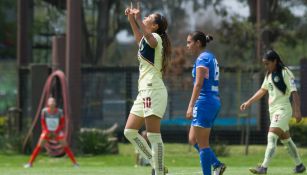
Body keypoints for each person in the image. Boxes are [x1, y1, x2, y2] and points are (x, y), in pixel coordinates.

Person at [123, 2, 171, 175]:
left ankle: (158, 172)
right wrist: (131, 20)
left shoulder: (156, 38)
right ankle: (157, 164)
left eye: (148, 18)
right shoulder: (146, 38)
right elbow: (140, 39)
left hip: (154, 90)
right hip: (144, 91)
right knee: (129, 131)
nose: (145, 18)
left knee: (153, 135)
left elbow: (148, 40)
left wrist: (137, 20)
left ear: (155, 26)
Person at [240, 50, 306, 174]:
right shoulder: (269, 75)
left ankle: (263, 167)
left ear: (275, 61)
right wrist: (248, 102)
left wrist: (297, 111)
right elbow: (262, 90)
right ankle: (299, 165)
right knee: (286, 139)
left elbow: (294, 92)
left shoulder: (285, 72)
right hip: (273, 111)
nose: (266, 66)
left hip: (283, 110)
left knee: (271, 136)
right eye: (264, 64)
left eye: (267, 63)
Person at [185, 31, 226, 175]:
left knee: (203, 145)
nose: (187, 45)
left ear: (197, 43)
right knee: (192, 139)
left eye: (189, 42)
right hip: (212, 101)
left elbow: (198, 84)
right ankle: (217, 164)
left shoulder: (202, 58)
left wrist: (191, 105)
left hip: (204, 102)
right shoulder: (209, 57)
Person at [24, 97, 78, 168]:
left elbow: (62, 123)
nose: (52, 103)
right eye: (50, 101)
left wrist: (56, 131)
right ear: (48, 103)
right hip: (47, 131)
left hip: (57, 131)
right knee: (39, 146)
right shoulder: (44, 111)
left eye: (53, 101)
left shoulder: (59, 111)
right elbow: (43, 123)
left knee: (65, 146)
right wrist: (47, 131)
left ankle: (75, 164)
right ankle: (30, 163)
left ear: (55, 103)